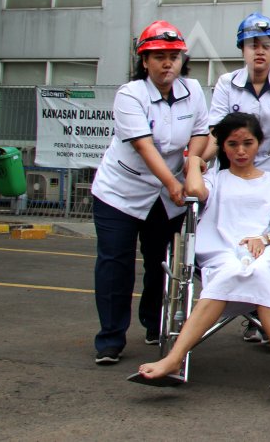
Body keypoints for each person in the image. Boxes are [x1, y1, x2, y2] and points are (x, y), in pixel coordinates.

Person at [132, 112, 270, 390]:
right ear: (222, 147)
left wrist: (264, 239)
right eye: (232, 144)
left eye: (248, 143)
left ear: (259, 143)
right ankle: (173, 359)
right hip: (222, 249)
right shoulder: (216, 180)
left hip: (269, 250)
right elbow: (193, 189)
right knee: (229, 271)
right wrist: (195, 160)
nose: (240, 151)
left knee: (262, 271)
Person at [90, 21, 208, 365]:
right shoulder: (131, 94)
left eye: (173, 56)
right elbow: (144, 146)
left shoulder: (193, 89)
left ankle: (155, 323)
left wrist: (192, 165)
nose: (167, 63)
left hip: (166, 195)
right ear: (144, 61)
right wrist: (174, 183)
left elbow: (200, 132)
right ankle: (110, 338)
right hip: (121, 192)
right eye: (158, 56)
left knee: (162, 262)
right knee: (116, 263)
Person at [207, 13, 270, 343]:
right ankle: (242, 306)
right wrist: (199, 162)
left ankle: (264, 315)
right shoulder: (226, 84)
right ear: (242, 50)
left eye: (266, 45)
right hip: (233, 169)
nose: (259, 52)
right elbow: (216, 131)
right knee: (233, 231)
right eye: (252, 46)